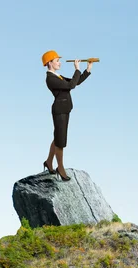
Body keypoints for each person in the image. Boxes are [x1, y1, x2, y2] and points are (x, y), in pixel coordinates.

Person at [41, 50, 92, 181]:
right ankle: (60, 168)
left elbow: (76, 82)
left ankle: (48, 161)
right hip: (60, 111)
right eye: (57, 60)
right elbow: (71, 85)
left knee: (58, 136)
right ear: (49, 63)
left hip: (64, 110)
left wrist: (87, 70)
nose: (59, 63)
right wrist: (76, 69)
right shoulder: (50, 78)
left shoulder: (58, 77)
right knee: (61, 141)